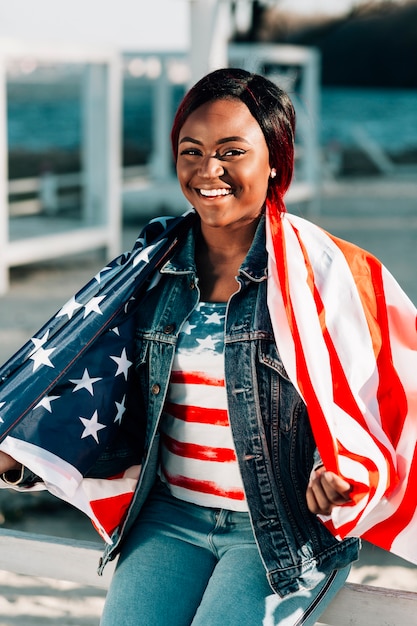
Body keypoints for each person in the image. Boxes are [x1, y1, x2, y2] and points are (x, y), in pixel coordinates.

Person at [0, 67, 415, 625]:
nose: (207, 170)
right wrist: (21, 451)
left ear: (275, 163)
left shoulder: (329, 274)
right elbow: (91, 377)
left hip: (279, 530)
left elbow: (368, 399)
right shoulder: (148, 269)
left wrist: (336, 469)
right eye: (190, 150)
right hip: (169, 516)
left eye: (232, 151)